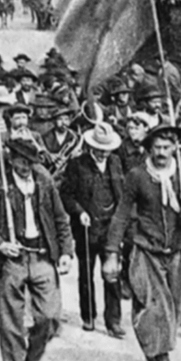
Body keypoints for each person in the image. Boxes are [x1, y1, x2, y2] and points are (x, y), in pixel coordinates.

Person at [102, 125, 181, 361]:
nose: (161, 153)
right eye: (156, 148)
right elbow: (122, 215)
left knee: (176, 305)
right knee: (153, 305)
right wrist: (111, 252)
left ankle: (158, 346)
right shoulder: (137, 176)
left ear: (174, 148)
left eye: (167, 147)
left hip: (180, 249)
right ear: (148, 149)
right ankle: (159, 354)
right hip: (147, 249)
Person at [0, 139, 74, 361]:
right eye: (21, 162)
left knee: (50, 317)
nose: (26, 167)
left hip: (42, 254)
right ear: (11, 160)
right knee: (10, 319)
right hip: (12, 259)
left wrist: (66, 252)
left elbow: (61, 219)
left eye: (30, 162)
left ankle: (33, 357)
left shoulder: (44, 182)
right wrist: (0, 245)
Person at [59, 123, 126, 336]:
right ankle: (88, 315)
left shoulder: (116, 163)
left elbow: (123, 195)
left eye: (105, 149)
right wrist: (79, 212)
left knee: (112, 273)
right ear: (90, 146)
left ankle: (113, 321)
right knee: (86, 274)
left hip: (110, 228)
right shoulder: (77, 165)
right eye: (98, 148)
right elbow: (66, 195)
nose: (102, 153)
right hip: (87, 228)